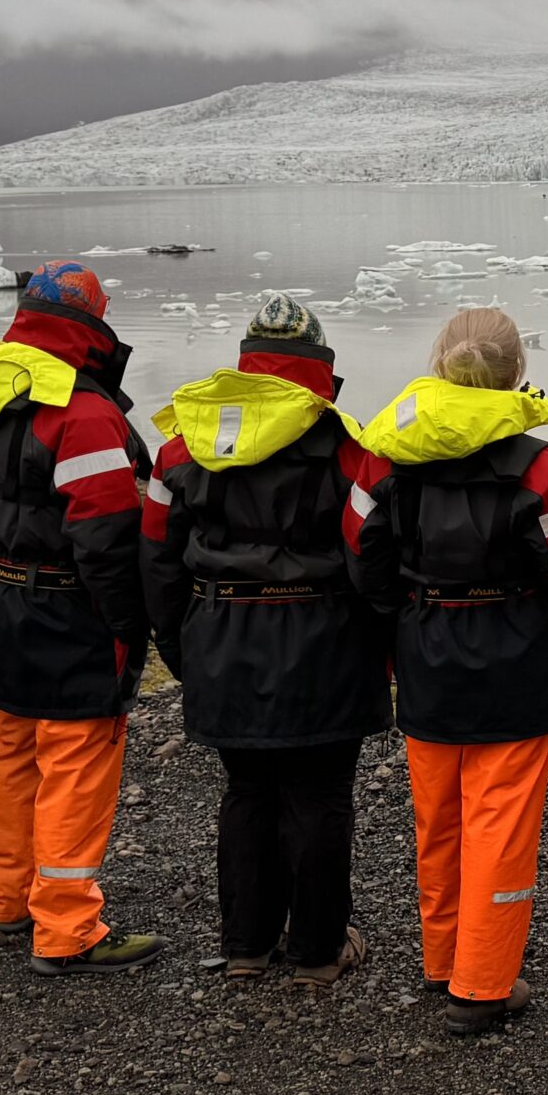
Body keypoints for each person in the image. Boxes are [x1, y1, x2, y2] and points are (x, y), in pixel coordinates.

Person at [352, 307, 548, 1035]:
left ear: (437, 365)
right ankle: (483, 983)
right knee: (499, 827)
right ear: (515, 375)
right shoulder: (545, 467)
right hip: (516, 661)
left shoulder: (385, 457)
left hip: (426, 651)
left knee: (438, 819)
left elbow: (362, 554)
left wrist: (399, 626)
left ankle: (446, 959)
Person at [0, 262, 163, 975]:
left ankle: (9, 900)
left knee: (16, 751)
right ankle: (68, 928)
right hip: (69, 606)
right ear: (92, 322)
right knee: (77, 763)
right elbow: (107, 535)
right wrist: (127, 624)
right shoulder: (83, 413)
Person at [141, 292, 388, 990]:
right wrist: (382, 642)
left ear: (245, 365)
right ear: (319, 367)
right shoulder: (347, 444)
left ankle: (247, 945)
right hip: (324, 640)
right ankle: (316, 951)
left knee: (247, 789)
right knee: (319, 794)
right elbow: (371, 553)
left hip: (220, 635)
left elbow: (157, 556)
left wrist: (179, 646)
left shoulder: (182, 444)